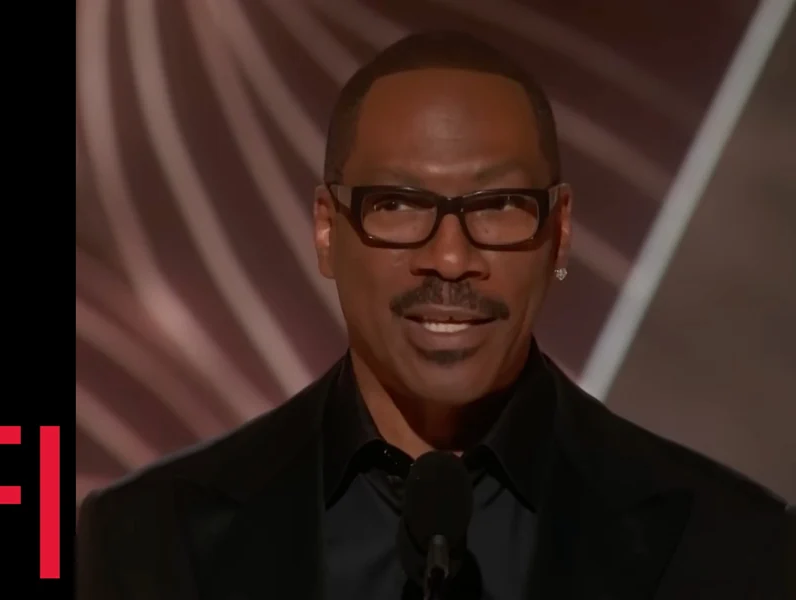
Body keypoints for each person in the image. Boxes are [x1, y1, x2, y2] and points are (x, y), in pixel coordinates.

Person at [76, 31, 793, 599]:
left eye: (499, 206)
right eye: (397, 205)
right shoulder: (144, 541)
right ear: (327, 231)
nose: (450, 259)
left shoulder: (734, 549)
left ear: (560, 231)